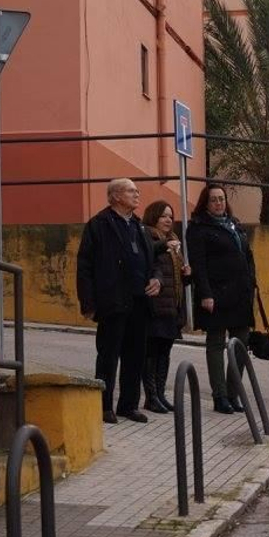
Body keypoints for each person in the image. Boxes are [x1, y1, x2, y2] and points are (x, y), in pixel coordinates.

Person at [76, 178, 159, 424]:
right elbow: (84, 267)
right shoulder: (98, 225)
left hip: (139, 301)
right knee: (108, 356)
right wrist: (89, 303)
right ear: (115, 196)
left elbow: (152, 262)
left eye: (137, 190)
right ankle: (103, 406)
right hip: (112, 300)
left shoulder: (139, 226)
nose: (137, 194)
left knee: (135, 356)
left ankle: (128, 405)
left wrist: (157, 279)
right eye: (131, 190)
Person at [185, 183, 256, 414]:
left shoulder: (234, 224)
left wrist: (252, 283)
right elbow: (199, 264)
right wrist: (205, 293)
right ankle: (220, 396)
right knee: (216, 344)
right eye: (214, 199)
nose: (219, 203)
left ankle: (234, 394)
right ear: (206, 203)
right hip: (215, 295)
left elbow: (247, 256)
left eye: (222, 199)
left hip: (241, 294)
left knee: (241, 344)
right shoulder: (198, 228)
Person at [140, 199, 189, 413]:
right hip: (156, 305)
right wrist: (164, 246)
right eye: (164, 216)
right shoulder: (148, 236)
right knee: (151, 352)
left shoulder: (174, 240)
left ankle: (160, 393)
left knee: (165, 352)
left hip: (172, 306)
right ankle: (150, 396)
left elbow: (175, 275)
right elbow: (147, 255)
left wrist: (186, 273)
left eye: (171, 216)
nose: (169, 220)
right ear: (154, 217)